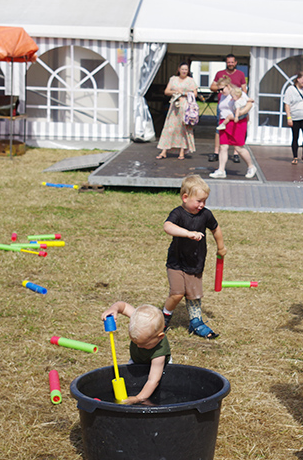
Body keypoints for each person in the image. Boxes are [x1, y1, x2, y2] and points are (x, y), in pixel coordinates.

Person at [161, 174, 226, 338]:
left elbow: (215, 229)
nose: (202, 205)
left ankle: (196, 322)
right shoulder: (178, 213)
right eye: (199, 201)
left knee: (194, 295)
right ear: (185, 197)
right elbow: (167, 226)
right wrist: (188, 234)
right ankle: (164, 317)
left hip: (196, 262)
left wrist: (221, 247)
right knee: (177, 293)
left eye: (205, 201)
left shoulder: (205, 214)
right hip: (176, 262)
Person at [99, 302, 170, 404]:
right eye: (135, 343)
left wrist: (138, 398)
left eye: (144, 344)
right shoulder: (140, 321)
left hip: (161, 367)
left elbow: (153, 381)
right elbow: (123, 306)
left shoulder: (160, 354)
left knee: (159, 387)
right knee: (134, 381)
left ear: (160, 337)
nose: (139, 347)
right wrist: (114, 308)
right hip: (137, 360)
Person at [209, 81, 257, 179]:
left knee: (239, 147)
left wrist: (238, 114)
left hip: (236, 122)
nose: (221, 92)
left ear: (228, 86)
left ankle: (251, 167)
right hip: (224, 122)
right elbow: (222, 109)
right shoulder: (222, 96)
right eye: (219, 90)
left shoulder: (238, 92)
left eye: (222, 89)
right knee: (223, 146)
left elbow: (249, 104)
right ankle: (221, 170)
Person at [209, 54, 247, 163]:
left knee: (236, 127)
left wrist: (241, 100)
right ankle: (217, 152)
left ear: (235, 63)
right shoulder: (220, 74)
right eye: (228, 62)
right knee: (219, 127)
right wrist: (223, 87)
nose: (230, 64)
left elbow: (244, 89)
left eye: (232, 62)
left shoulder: (240, 74)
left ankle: (236, 153)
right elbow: (212, 87)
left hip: (236, 105)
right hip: (223, 105)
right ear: (226, 62)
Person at [156, 62, 197, 160]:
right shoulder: (173, 79)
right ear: (179, 69)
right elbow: (166, 91)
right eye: (182, 69)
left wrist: (183, 93)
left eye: (186, 70)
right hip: (174, 105)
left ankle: (182, 151)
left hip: (185, 106)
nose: (184, 71)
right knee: (169, 128)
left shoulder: (190, 81)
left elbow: (195, 94)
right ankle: (164, 150)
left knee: (183, 129)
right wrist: (175, 92)